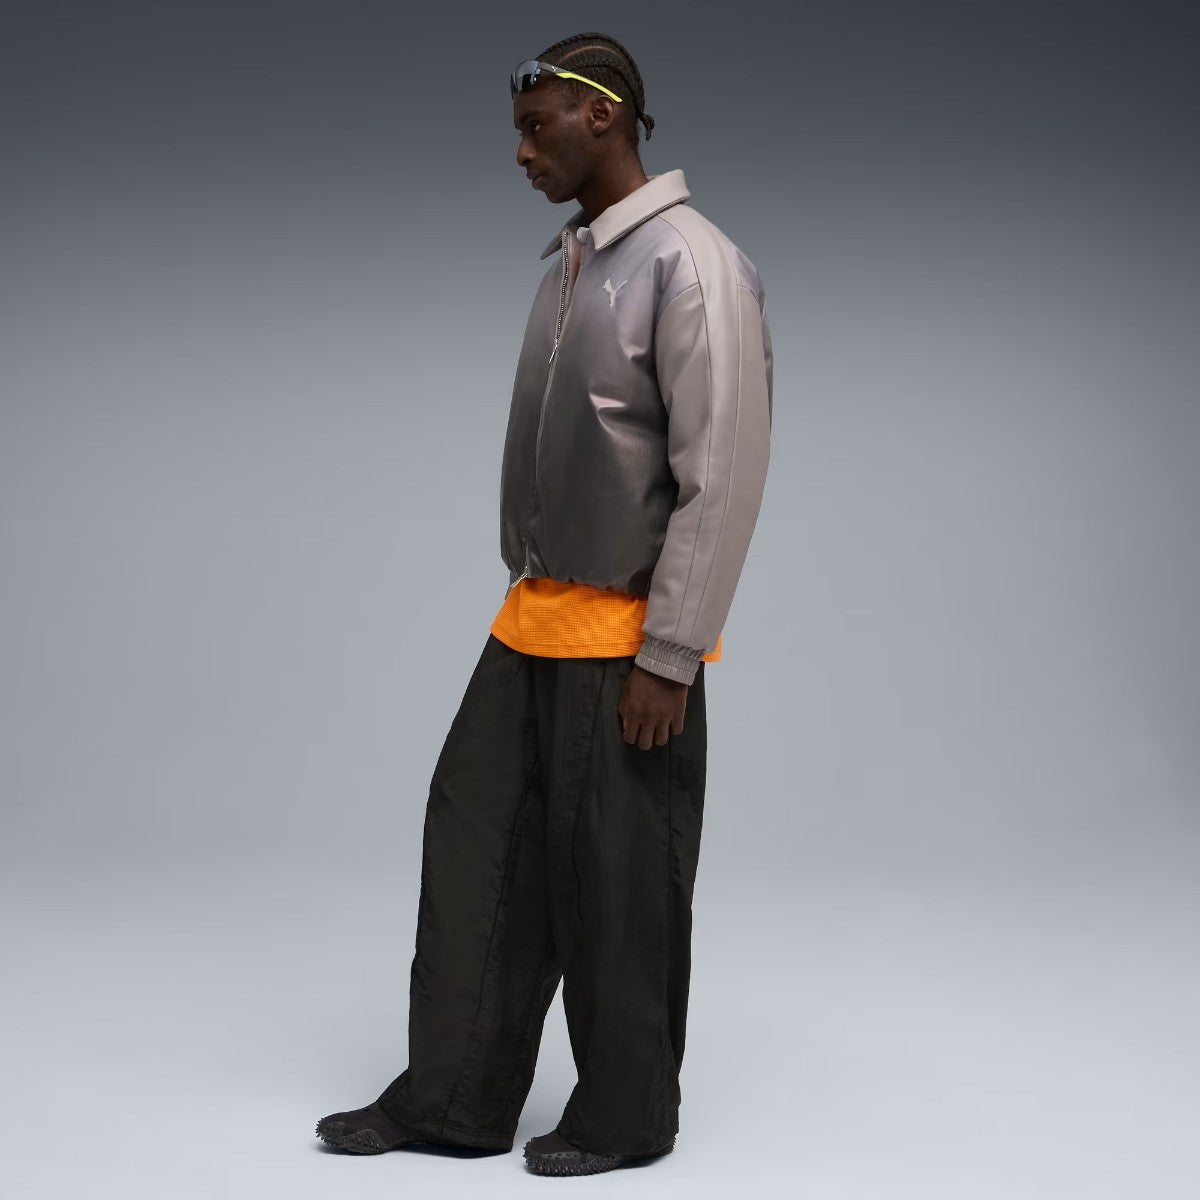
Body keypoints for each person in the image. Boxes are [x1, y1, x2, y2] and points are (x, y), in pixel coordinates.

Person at [314, 30, 773, 1177]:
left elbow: (722, 473)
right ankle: (454, 1099)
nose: (521, 153)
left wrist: (671, 652)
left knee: (616, 880)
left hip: (629, 639)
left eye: (536, 128)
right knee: (478, 847)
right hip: (535, 616)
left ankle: (626, 1119)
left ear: (601, 115)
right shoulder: (573, 263)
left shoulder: (692, 264)